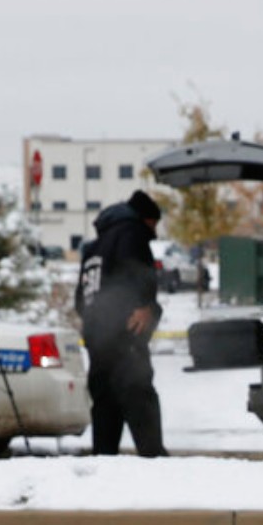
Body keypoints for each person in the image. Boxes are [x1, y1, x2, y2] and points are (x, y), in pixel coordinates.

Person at [75, 190, 167, 457]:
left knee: (105, 410)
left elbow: (80, 299)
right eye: (154, 224)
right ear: (146, 218)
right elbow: (139, 273)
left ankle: (104, 465)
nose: (154, 232)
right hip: (125, 337)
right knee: (141, 401)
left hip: (97, 342)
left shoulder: (94, 247)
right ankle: (157, 465)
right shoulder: (132, 233)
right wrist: (147, 306)